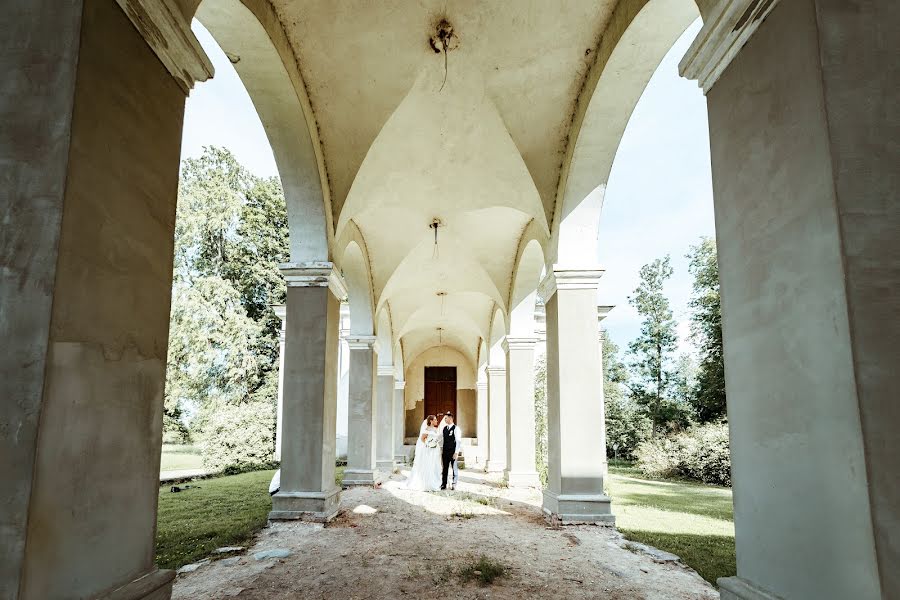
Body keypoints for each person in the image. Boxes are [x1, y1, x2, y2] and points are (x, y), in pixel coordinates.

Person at [404, 414, 442, 491]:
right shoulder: (426, 429)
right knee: (429, 464)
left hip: (435, 450)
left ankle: (435, 480)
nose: (436, 421)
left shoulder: (436, 429)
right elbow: (422, 439)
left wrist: (436, 442)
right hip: (429, 449)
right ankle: (427, 483)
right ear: (431, 421)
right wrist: (429, 444)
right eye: (435, 419)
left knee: (434, 465)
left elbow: (437, 438)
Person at [440, 412, 461, 490]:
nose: (445, 419)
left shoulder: (456, 428)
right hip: (445, 452)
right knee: (445, 468)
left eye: (446, 418)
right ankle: (444, 484)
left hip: (452, 452)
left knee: (454, 468)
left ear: (451, 418)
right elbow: (441, 439)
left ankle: (454, 484)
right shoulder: (444, 428)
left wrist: (456, 452)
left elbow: (458, 441)